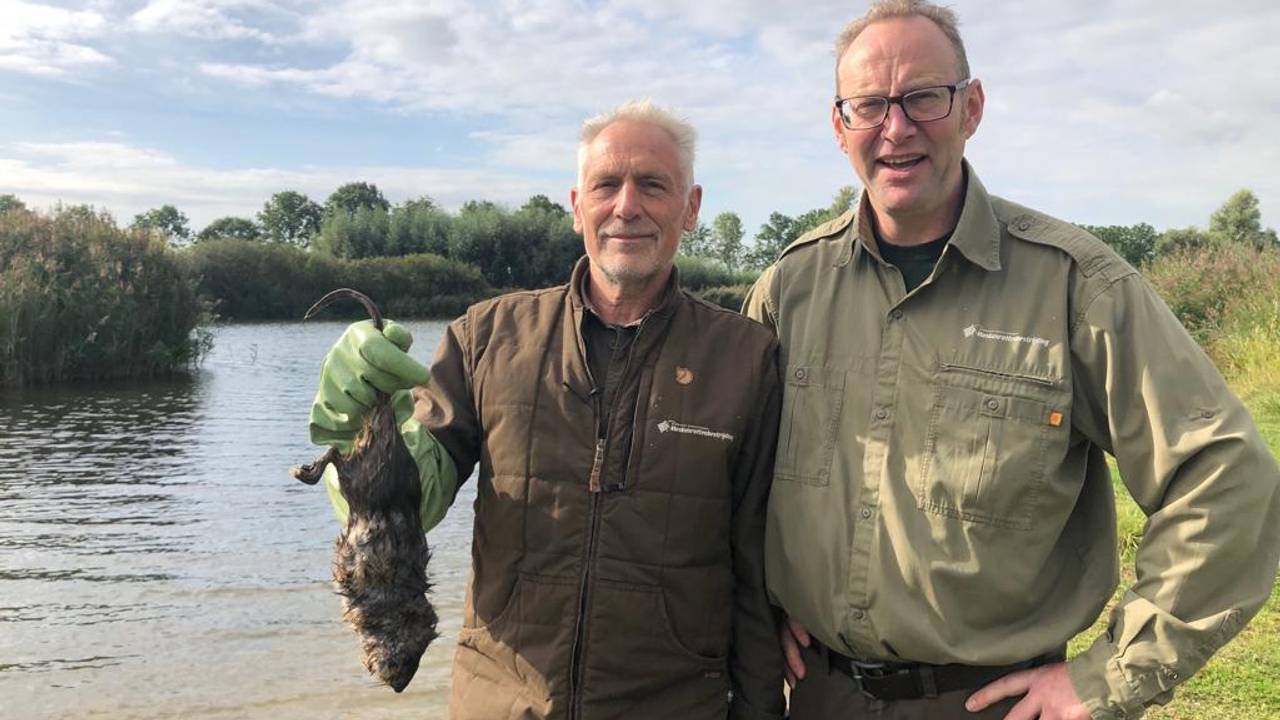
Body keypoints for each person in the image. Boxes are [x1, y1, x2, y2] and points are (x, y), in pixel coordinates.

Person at [742, 2, 1280, 719]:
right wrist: (756, 609)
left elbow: (1227, 480)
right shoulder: (790, 287)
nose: (896, 128)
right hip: (818, 696)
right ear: (840, 127)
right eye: (869, 105)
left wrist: (1109, 676)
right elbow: (733, 480)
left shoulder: (1075, 286)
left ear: (973, 108)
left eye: (924, 98)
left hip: (992, 704)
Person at [308, 100, 786, 720]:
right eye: (606, 185)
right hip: (502, 702)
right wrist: (355, 435)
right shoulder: (486, 336)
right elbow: (412, 504)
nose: (627, 206)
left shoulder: (745, 357)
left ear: (691, 207)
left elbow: (755, 570)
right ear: (576, 205)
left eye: (653, 185)